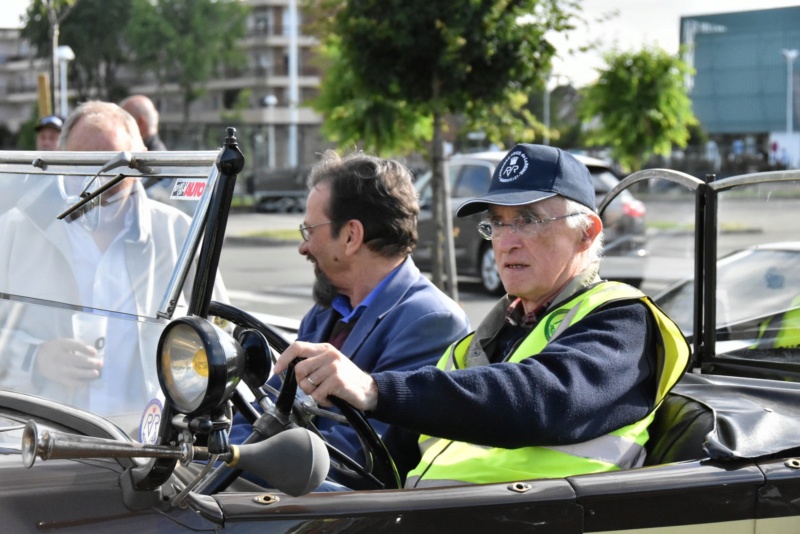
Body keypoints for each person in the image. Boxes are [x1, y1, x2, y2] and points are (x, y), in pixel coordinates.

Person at [273, 143, 691, 488]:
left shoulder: (621, 319)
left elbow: (541, 398)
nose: (507, 242)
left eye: (528, 220)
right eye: (497, 223)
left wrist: (375, 389)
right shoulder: (479, 344)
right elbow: (384, 462)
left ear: (588, 232)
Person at [231, 149, 470, 486]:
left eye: (309, 231)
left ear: (350, 236)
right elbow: (265, 409)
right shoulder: (328, 309)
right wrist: (218, 452)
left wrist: (230, 461)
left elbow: (358, 459)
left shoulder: (431, 321)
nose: (303, 247)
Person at [0, 101, 227, 415]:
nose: (97, 180)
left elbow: (222, 335)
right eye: (82, 164)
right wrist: (34, 358)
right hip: (44, 438)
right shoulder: (16, 231)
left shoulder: (177, 234)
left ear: (141, 162)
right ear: (61, 163)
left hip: (149, 445)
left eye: (113, 164)